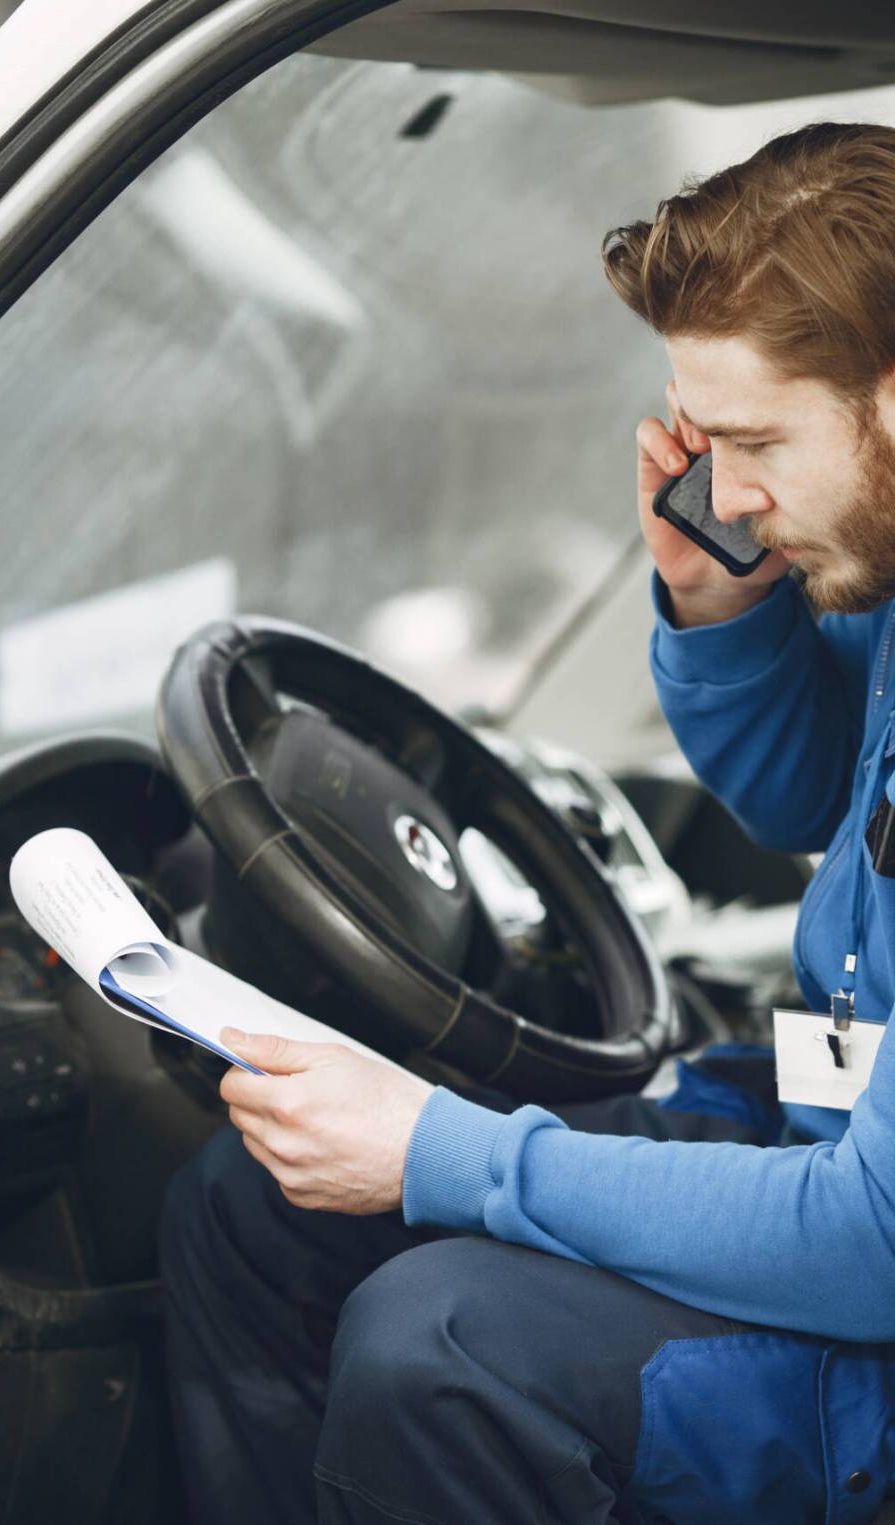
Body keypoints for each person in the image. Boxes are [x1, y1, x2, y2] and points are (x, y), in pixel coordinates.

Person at [160, 121, 895, 1525]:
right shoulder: (884, 566)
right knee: (254, 1204)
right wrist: (722, 604)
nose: (724, 492)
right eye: (706, 439)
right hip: (827, 1126)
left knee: (437, 1346)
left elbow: (875, 1243)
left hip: (872, 1270)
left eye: (755, 444)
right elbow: (814, 795)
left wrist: (440, 1147)